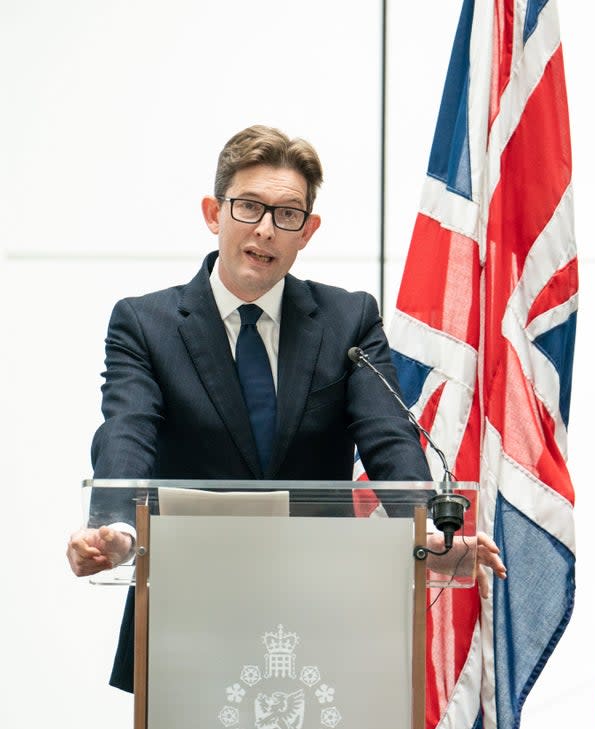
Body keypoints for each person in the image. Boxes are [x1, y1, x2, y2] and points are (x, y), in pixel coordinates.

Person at [66, 125, 504, 691]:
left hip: (320, 612)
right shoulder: (144, 324)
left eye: (287, 214)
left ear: (308, 231)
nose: (266, 229)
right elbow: (127, 431)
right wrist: (116, 526)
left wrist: (423, 536)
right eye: (249, 207)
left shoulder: (347, 321)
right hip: (188, 613)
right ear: (213, 212)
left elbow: (390, 438)